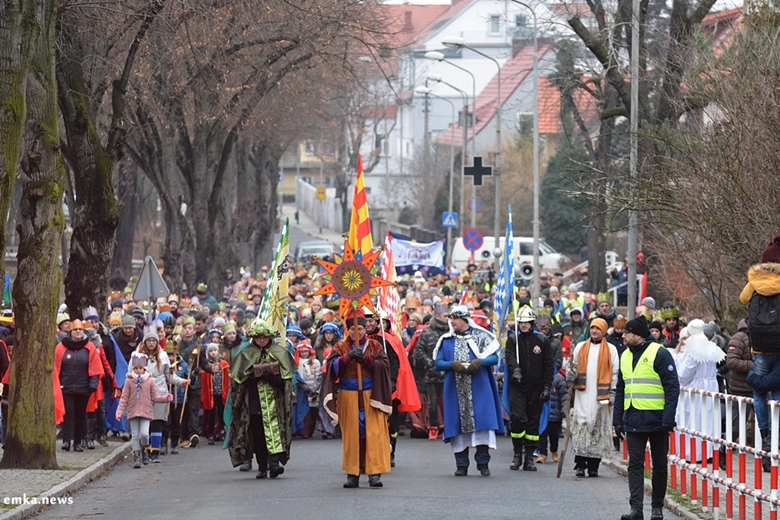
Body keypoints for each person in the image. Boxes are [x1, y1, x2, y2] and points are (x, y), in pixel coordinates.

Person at [615, 316, 680, 520]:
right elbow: (621, 389)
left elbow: (672, 387)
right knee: (635, 464)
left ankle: (657, 508)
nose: (623, 335)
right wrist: (617, 419)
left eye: (627, 332)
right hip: (633, 418)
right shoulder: (625, 355)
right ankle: (636, 509)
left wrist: (668, 418)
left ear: (638, 335)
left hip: (658, 420)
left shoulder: (659, 353)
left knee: (659, 465)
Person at [323, 309, 393, 488]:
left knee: (374, 433)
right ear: (348, 330)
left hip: (371, 395)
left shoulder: (375, 346)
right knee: (352, 435)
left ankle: (374, 474)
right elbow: (331, 368)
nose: (357, 332)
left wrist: (367, 362)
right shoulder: (340, 347)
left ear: (365, 329)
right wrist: (347, 358)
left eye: (360, 328)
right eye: (353, 329)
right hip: (348, 395)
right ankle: (352, 474)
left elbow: (384, 366)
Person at [434, 305, 504, 476]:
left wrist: (480, 362)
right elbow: (438, 363)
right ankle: (461, 465)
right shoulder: (446, 340)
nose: (452, 322)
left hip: (479, 388)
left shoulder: (481, 336)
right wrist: (452, 365)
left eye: (455, 318)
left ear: (464, 319)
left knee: (482, 424)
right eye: (450, 318)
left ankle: (483, 463)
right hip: (455, 390)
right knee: (457, 425)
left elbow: (494, 358)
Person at [227, 319, 294, 479]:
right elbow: (238, 382)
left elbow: (286, 382)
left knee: (275, 431)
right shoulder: (246, 353)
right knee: (258, 435)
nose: (262, 340)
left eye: (265, 337)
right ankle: (262, 467)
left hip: (275, 402)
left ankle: (274, 464)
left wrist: (272, 377)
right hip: (254, 402)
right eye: (258, 337)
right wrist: (251, 377)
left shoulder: (280, 352)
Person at [740, 234, 780, 472]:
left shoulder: (754, 280)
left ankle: (764, 432)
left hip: (759, 348)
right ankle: (776, 433)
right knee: (778, 393)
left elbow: (743, 298)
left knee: (758, 391)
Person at [567, 317, 620, 477]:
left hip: (601, 397)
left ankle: (593, 466)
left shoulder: (611, 350)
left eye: (597, 328)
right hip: (582, 395)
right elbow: (572, 366)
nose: (594, 331)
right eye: (592, 328)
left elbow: (615, 372)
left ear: (603, 331)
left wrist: (612, 392)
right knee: (582, 428)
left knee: (597, 429)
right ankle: (580, 464)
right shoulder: (581, 347)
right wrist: (570, 374)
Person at [505, 305, 553, 472]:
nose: (523, 325)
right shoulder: (513, 340)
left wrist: (547, 387)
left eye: (526, 322)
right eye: (521, 322)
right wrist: (516, 370)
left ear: (532, 323)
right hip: (517, 387)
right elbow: (510, 357)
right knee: (518, 419)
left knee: (533, 422)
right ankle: (517, 453)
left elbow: (548, 365)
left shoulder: (542, 341)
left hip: (536, 388)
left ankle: (529, 457)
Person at [676, 319, 725, 463]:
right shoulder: (711, 346)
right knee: (709, 421)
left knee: (694, 421)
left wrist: (678, 378)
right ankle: (709, 452)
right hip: (710, 386)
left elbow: (685, 373)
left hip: (695, 388)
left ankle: (693, 453)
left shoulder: (694, 349)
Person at [138, 325, 188, 463]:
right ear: (145, 342)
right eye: (149, 341)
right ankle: (145, 450)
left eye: (154, 341)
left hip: (160, 392)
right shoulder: (139, 356)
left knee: (157, 423)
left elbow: (169, 375)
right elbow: (132, 373)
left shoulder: (163, 356)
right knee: (145, 424)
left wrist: (181, 381)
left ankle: (155, 452)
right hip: (143, 392)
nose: (151, 343)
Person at [116, 353, 173, 468]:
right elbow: (124, 398)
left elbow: (155, 397)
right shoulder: (129, 381)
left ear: (144, 369)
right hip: (133, 411)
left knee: (144, 434)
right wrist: (119, 411)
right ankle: (137, 457)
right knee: (135, 435)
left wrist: (165, 398)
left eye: (140, 368)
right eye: (136, 368)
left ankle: (144, 448)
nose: (138, 371)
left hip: (146, 412)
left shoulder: (150, 381)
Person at [53, 319, 102, 452]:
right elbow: (56, 367)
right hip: (66, 386)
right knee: (68, 413)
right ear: (70, 332)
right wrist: (58, 384)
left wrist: (93, 384)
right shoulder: (60, 347)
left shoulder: (89, 347)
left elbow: (95, 367)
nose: (78, 332)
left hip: (83, 387)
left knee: (81, 415)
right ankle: (66, 441)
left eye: (80, 329)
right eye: (75, 330)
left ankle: (78, 442)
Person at [414, 304, 449, 440]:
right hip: (432, 373)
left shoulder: (450, 332)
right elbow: (419, 350)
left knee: (448, 402)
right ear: (437, 316)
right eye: (445, 316)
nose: (448, 318)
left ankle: (448, 428)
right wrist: (429, 363)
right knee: (432, 403)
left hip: (448, 372)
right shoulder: (427, 332)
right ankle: (433, 427)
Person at [537, 364, 568, 463]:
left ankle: (554, 451)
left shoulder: (559, 379)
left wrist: (564, 410)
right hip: (543, 413)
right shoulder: (539, 377)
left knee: (554, 435)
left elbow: (564, 396)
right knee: (542, 434)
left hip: (555, 413)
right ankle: (542, 453)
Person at [201, 343, 230, 444]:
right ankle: (211, 433)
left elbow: (227, 379)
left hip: (221, 392)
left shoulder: (224, 363)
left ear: (218, 351)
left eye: (215, 350)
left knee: (222, 412)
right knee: (211, 414)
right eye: (211, 351)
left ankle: (222, 430)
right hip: (211, 393)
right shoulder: (206, 365)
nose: (213, 352)